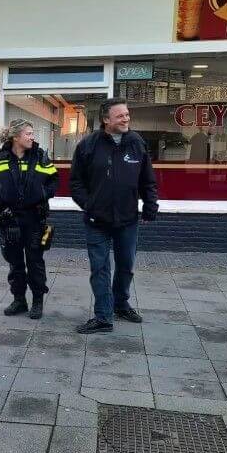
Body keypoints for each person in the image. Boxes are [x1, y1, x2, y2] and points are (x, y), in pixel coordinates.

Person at [70, 98, 158, 334]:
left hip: (127, 220)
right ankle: (103, 316)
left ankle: (121, 304)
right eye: (120, 116)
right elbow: (76, 183)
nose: (126, 118)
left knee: (126, 266)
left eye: (127, 114)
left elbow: (147, 179)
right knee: (100, 268)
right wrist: (89, 205)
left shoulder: (137, 143)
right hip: (96, 221)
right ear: (106, 120)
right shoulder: (87, 145)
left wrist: (150, 205)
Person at [0, 119, 58, 319]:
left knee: (35, 262)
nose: (32, 137)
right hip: (9, 220)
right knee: (14, 262)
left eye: (32, 134)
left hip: (34, 219)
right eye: (28, 134)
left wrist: (41, 194)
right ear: (16, 137)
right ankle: (19, 300)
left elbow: (53, 182)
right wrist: (0, 196)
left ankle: (38, 301)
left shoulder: (41, 157)